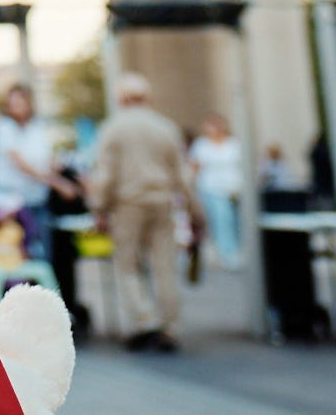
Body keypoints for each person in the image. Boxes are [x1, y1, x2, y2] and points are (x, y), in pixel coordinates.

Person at [92, 73, 199, 354]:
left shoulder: (113, 129)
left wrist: (100, 208)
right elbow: (182, 174)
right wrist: (194, 211)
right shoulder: (165, 127)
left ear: (120, 98)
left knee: (127, 264)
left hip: (128, 204)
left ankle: (144, 322)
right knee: (165, 265)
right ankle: (170, 326)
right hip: (162, 202)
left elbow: (106, 175)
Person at [0, 83, 65, 254]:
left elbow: (47, 156)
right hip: (12, 201)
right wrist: (56, 183)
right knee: (24, 250)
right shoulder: (4, 128)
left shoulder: (36, 127)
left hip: (37, 197)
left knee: (43, 247)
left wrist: (56, 168)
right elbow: (20, 163)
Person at [187, 113, 244, 271]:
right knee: (222, 220)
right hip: (212, 188)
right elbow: (194, 167)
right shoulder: (201, 146)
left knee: (236, 221)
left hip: (234, 189)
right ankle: (228, 253)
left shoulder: (233, 144)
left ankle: (235, 249)